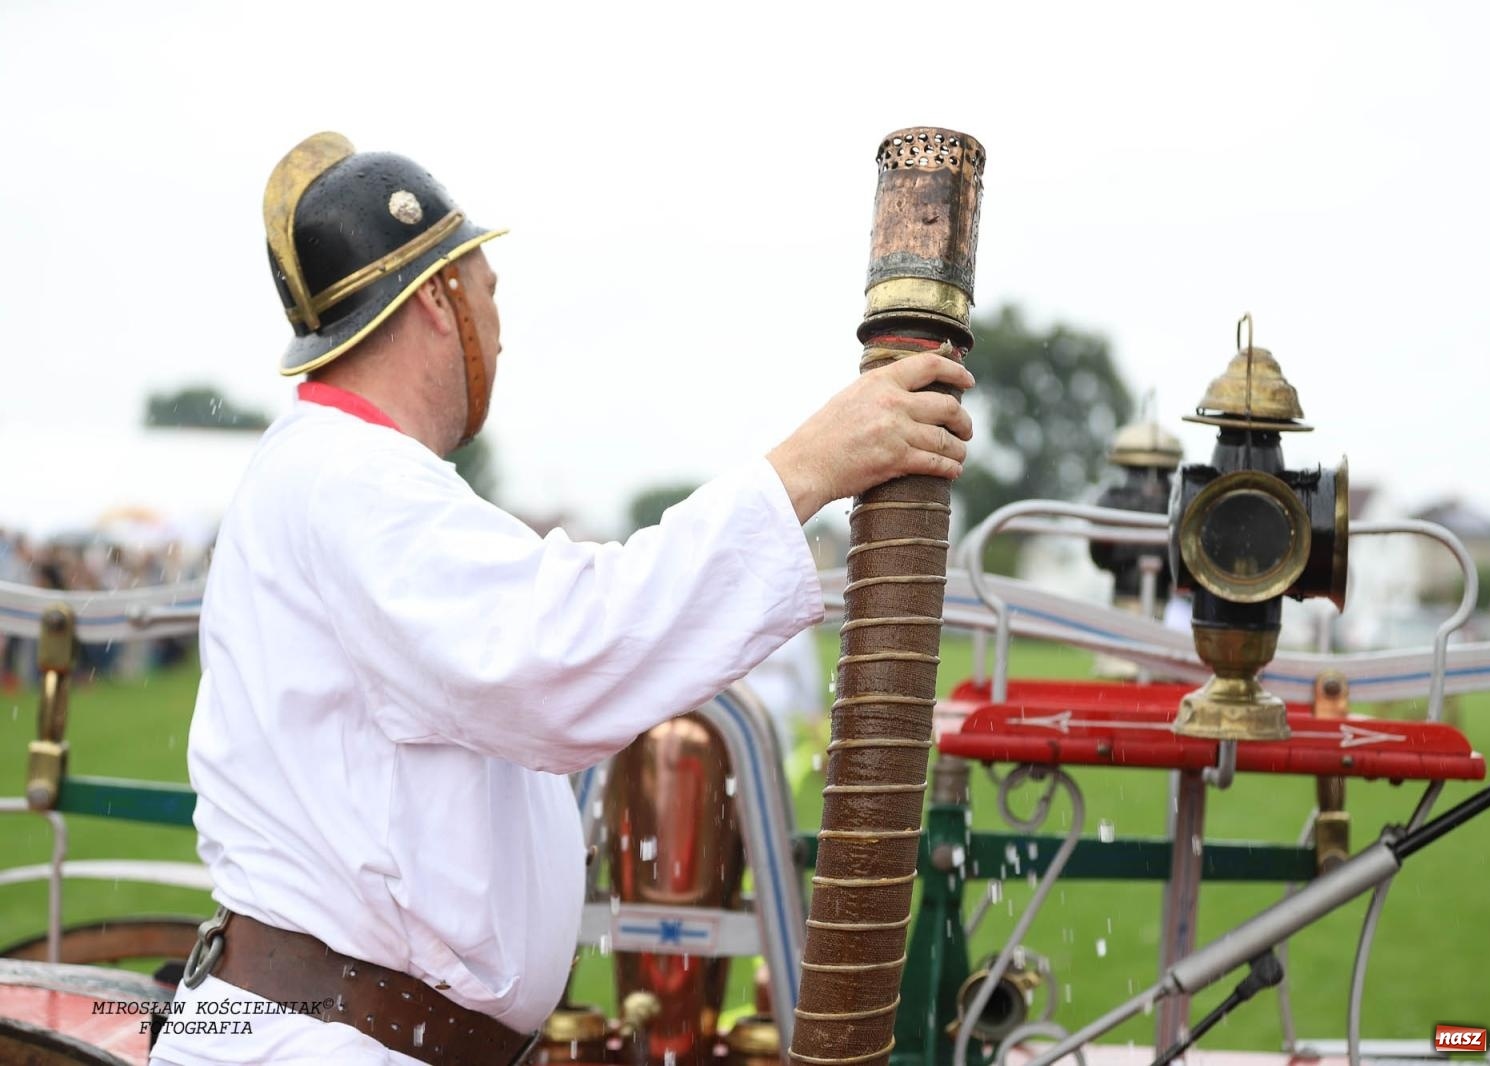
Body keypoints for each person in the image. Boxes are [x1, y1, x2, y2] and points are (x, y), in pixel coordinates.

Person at [150, 132, 973, 1066]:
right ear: (438, 299)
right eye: (488, 293)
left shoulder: (334, 475)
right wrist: (809, 467)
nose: (499, 329)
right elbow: (558, 653)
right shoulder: (353, 481)